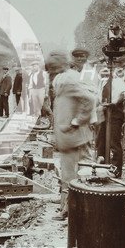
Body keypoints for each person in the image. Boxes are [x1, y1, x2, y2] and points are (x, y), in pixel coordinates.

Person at [49, 52, 95, 220]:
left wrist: (77, 121)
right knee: (74, 172)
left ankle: (70, 209)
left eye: (53, 67)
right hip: (70, 136)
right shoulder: (63, 78)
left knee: (72, 173)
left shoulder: (68, 79)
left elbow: (89, 99)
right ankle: (69, 205)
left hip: (74, 136)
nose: (51, 70)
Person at [95, 67, 125, 177]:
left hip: (115, 116)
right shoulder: (101, 83)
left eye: (106, 71)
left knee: (114, 143)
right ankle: (102, 166)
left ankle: (116, 171)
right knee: (101, 141)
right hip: (104, 115)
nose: (104, 74)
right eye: (102, 71)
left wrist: (114, 102)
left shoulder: (116, 81)